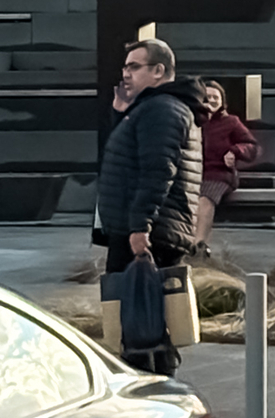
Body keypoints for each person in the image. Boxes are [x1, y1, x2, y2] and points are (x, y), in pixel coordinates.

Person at [93, 39, 201, 373]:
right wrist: (119, 114)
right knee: (140, 317)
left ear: (158, 71)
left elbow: (158, 170)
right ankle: (150, 377)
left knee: (145, 319)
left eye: (134, 66)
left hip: (148, 229)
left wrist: (141, 226)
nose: (126, 73)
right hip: (138, 226)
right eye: (125, 66)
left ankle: (156, 383)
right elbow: (127, 158)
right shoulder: (149, 107)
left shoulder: (162, 109)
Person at [193, 78, 258, 245]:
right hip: (193, 173)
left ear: (222, 101)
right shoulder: (191, 121)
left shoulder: (231, 122)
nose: (212, 100)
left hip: (219, 174)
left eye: (216, 97)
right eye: (207, 97)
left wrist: (235, 151)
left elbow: (252, 146)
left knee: (205, 198)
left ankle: (198, 246)